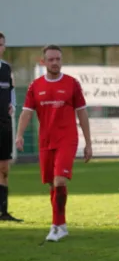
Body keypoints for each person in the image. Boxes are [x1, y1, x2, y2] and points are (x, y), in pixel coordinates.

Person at [16, 45, 93, 240]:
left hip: (67, 139)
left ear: (62, 60)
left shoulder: (72, 84)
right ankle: (61, 225)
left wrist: (88, 142)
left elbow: (82, 112)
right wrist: (19, 135)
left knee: (60, 179)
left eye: (58, 59)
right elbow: (26, 112)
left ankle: (56, 226)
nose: (55, 62)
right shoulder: (35, 86)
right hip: (45, 141)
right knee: (52, 184)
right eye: (51, 59)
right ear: (44, 62)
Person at [0, 32, 21, 222]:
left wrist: (12, 105)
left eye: (1, 44)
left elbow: (11, 91)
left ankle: (3, 212)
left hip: (4, 124)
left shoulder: (6, 68)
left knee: (4, 169)